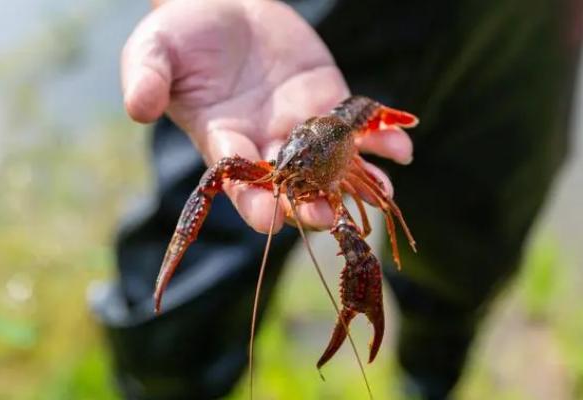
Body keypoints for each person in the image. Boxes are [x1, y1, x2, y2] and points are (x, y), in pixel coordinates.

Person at [90, 0, 583, 399]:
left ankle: (426, 382)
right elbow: (225, 172)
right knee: (195, 287)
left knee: (467, 253)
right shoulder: (277, 162)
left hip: (521, 30)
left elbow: (377, 213)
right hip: (295, 24)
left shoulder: (349, 166)